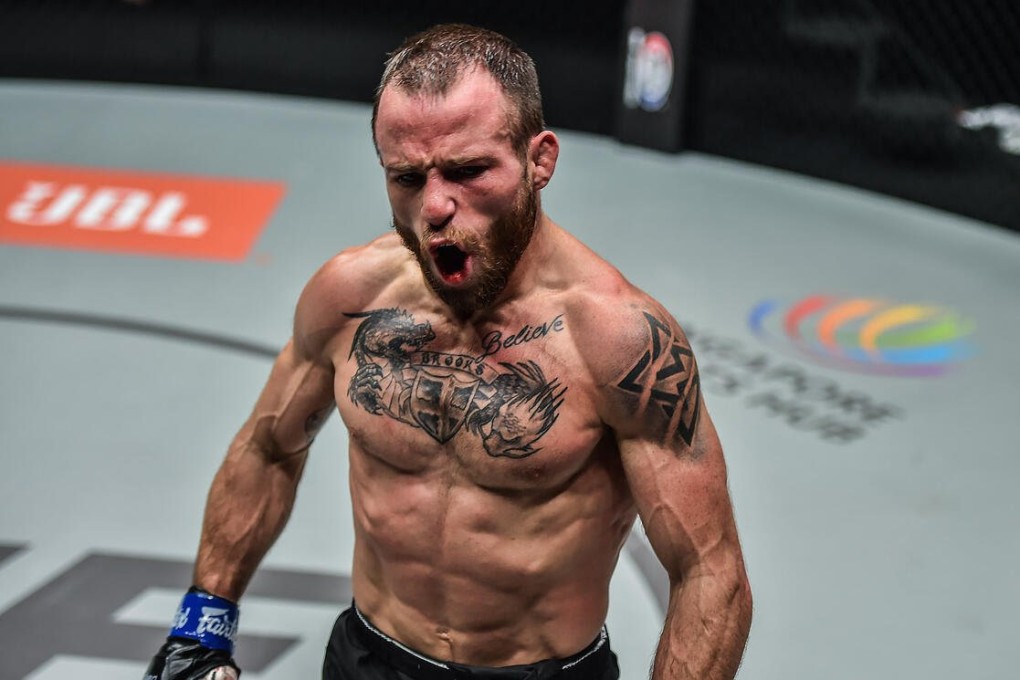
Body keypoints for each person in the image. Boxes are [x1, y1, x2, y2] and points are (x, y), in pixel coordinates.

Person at [143, 23, 752, 680]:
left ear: (540, 160)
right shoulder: (351, 296)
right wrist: (201, 626)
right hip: (367, 660)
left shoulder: (619, 340)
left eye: (467, 170)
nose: (434, 206)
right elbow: (268, 449)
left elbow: (708, 572)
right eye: (406, 177)